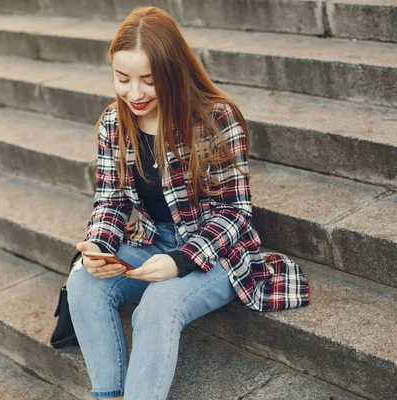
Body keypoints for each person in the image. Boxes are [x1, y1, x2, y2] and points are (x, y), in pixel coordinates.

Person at [67, 7, 310, 400]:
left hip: (215, 250)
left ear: (172, 72)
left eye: (148, 81)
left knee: (158, 305)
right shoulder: (115, 122)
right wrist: (98, 245)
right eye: (123, 79)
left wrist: (181, 260)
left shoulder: (215, 119)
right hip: (149, 239)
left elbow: (235, 212)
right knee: (83, 280)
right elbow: (110, 198)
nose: (134, 93)